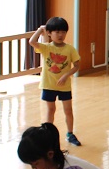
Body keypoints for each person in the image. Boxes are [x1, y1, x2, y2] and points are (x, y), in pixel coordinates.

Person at [29, 17, 82, 147]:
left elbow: (76, 66)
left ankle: (70, 134)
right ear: (49, 33)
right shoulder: (46, 48)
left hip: (64, 86)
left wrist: (66, 75)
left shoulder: (70, 49)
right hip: (48, 85)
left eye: (63, 32)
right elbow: (32, 41)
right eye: (57, 32)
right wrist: (40, 29)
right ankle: (48, 135)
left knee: (68, 110)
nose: (60, 35)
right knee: (50, 110)